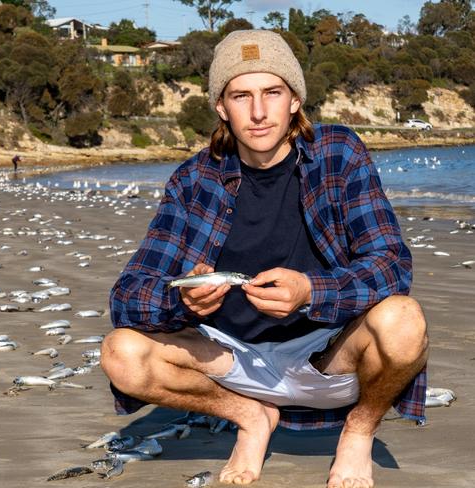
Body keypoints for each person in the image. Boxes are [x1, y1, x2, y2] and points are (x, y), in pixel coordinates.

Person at [102, 30, 428, 488]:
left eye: (272, 93)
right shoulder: (194, 179)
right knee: (121, 353)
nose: (258, 112)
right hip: (233, 364)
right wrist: (182, 301)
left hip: (330, 355)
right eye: (241, 96)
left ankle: (358, 432)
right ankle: (252, 417)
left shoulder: (338, 154)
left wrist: (311, 291)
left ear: (294, 99)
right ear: (221, 107)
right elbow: (127, 296)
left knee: (404, 320)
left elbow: (392, 264)